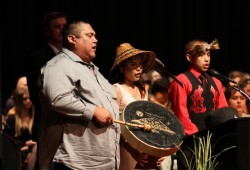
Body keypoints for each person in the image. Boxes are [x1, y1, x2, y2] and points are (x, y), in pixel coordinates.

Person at [38, 19, 120, 170]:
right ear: (72, 39)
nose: (95, 39)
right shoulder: (60, 65)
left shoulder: (94, 70)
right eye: (89, 35)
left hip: (104, 163)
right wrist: (93, 110)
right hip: (77, 164)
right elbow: (57, 99)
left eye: (95, 36)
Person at [168, 39, 228, 169]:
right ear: (189, 57)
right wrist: (198, 137)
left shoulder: (216, 82)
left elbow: (222, 112)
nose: (206, 59)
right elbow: (181, 114)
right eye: (201, 55)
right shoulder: (181, 81)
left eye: (208, 54)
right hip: (191, 144)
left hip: (213, 144)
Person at [108, 43, 165, 170]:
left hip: (145, 145)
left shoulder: (142, 89)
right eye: (133, 64)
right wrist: (132, 150)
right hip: (126, 147)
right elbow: (114, 126)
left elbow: (149, 119)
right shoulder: (117, 89)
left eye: (140, 64)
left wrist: (158, 150)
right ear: (122, 67)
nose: (139, 68)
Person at [26, 11, 67, 141]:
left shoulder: (73, 56)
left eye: (64, 26)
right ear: (48, 31)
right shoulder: (37, 58)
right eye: (57, 27)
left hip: (71, 122)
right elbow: (35, 94)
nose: (62, 30)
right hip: (48, 121)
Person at [5, 87, 37, 170]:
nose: (28, 101)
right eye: (24, 99)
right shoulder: (12, 118)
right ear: (19, 101)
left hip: (33, 147)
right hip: (19, 150)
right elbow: (9, 139)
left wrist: (32, 145)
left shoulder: (36, 116)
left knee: (34, 152)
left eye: (29, 98)